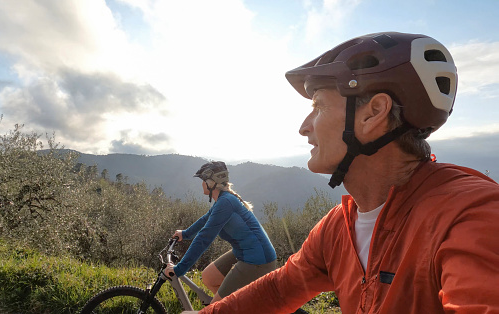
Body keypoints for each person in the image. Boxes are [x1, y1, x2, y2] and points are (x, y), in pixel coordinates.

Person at [193, 32, 499, 313]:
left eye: (319, 106)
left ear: (374, 113)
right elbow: (276, 291)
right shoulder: (337, 228)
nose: (304, 127)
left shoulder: (471, 214)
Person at [164, 161, 277, 304]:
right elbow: (205, 219)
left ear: (211, 183)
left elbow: (204, 238)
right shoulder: (223, 200)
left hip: (258, 260)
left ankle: (226, 307)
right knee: (209, 277)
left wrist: (179, 269)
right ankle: (233, 306)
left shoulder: (226, 203)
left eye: (203, 181)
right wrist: (185, 234)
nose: (202, 184)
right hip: (244, 252)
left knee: (215, 310)